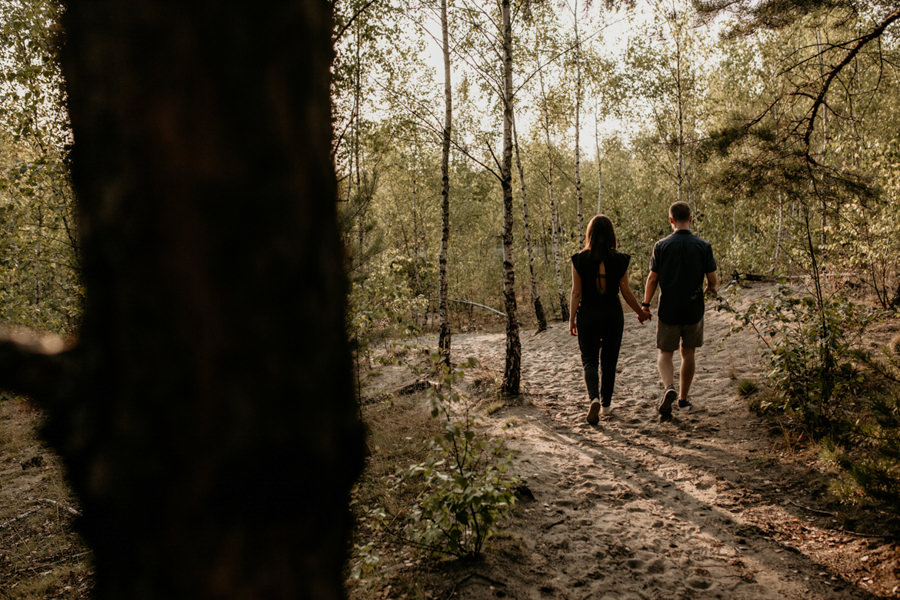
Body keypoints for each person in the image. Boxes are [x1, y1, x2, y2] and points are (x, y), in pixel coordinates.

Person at [569, 215, 652, 425]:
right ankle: (606, 406)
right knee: (609, 360)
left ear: (590, 234)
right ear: (611, 235)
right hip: (612, 314)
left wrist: (571, 319)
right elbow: (625, 291)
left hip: (587, 313)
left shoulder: (579, 259)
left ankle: (594, 398)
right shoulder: (620, 259)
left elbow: (576, 293)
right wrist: (640, 312)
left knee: (589, 360)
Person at [641, 201, 718, 422]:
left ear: (671, 220)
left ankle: (669, 387)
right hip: (694, 308)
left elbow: (652, 278)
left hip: (669, 308)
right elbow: (712, 279)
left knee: (665, 353)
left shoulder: (661, 246)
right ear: (691, 219)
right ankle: (683, 399)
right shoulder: (703, 246)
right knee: (689, 353)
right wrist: (710, 289)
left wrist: (645, 305)